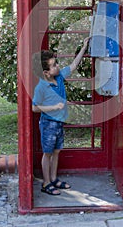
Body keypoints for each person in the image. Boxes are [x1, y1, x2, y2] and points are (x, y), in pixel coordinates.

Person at [32, 37, 90, 195]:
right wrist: (53, 107)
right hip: (48, 124)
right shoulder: (41, 87)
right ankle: (46, 183)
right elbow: (34, 108)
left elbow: (73, 65)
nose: (58, 66)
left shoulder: (59, 77)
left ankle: (54, 178)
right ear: (46, 73)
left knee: (57, 152)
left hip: (59, 123)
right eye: (54, 65)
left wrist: (83, 47)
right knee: (48, 153)